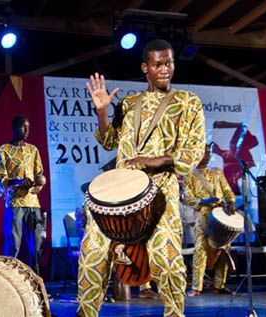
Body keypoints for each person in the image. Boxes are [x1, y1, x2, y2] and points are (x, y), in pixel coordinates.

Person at [78, 39, 206, 317]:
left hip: (161, 192)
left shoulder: (187, 101)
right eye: (157, 64)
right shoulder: (129, 103)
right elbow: (108, 141)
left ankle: (174, 313)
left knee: (168, 261)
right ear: (145, 67)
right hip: (119, 190)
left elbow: (194, 150)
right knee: (91, 258)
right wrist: (102, 112)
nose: (164, 69)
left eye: (169, 62)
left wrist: (154, 161)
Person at [184, 144, 237, 297]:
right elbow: (189, 199)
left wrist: (231, 203)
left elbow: (227, 191)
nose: (207, 155)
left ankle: (220, 285)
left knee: (224, 249)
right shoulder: (190, 175)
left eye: (208, 152)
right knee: (201, 249)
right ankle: (196, 286)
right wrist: (205, 201)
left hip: (221, 213)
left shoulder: (217, 172)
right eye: (203, 152)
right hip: (203, 215)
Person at [0, 115, 45, 273]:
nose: (27, 130)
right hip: (14, 203)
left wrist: (36, 183)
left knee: (36, 246)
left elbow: (39, 174)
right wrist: (17, 182)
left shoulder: (33, 150)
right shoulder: (4, 150)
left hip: (33, 203)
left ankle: (36, 282)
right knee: (13, 244)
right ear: (15, 128)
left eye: (28, 127)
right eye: (23, 127)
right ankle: (8, 280)